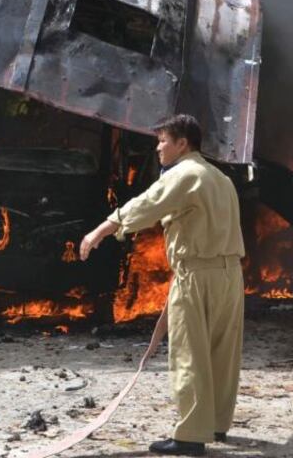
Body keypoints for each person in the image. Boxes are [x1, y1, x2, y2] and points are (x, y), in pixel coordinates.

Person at [79, 114, 245, 457]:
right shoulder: (220, 178)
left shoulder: (185, 174)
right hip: (230, 275)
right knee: (222, 352)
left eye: (163, 140)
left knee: (189, 352)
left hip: (197, 274)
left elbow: (147, 204)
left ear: (183, 143)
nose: (158, 147)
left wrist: (101, 230)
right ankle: (216, 423)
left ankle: (190, 436)